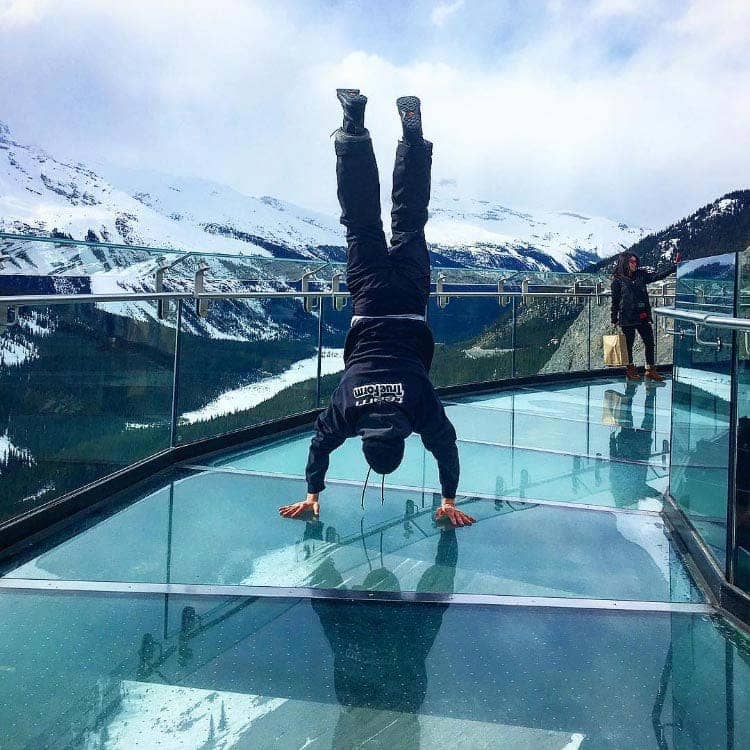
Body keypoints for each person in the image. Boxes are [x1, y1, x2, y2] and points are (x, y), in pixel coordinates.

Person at [279, 90, 474, 528]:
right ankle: (353, 128)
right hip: (367, 297)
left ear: (405, 439)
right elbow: (319, 446)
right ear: (363, 438)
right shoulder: (347, 408)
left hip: (409, 298)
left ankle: (412, 139)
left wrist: (447, 500)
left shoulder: (418, 406)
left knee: (410, 218)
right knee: (361, 222)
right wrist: (312, 493)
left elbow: (446, 445)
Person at [610, 249, 679, 382]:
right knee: (628, 345)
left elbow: (657, 276)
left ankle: (650, 370)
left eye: (636, 261)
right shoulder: (617, 281)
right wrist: (614, 318)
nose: (635, 263)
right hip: (627, 317)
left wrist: (673, 267)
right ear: (625, 262)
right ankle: (630, 370)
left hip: (642, 315)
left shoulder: (641, 275)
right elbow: (615, 301)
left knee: (649, 342)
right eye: (632, 261)